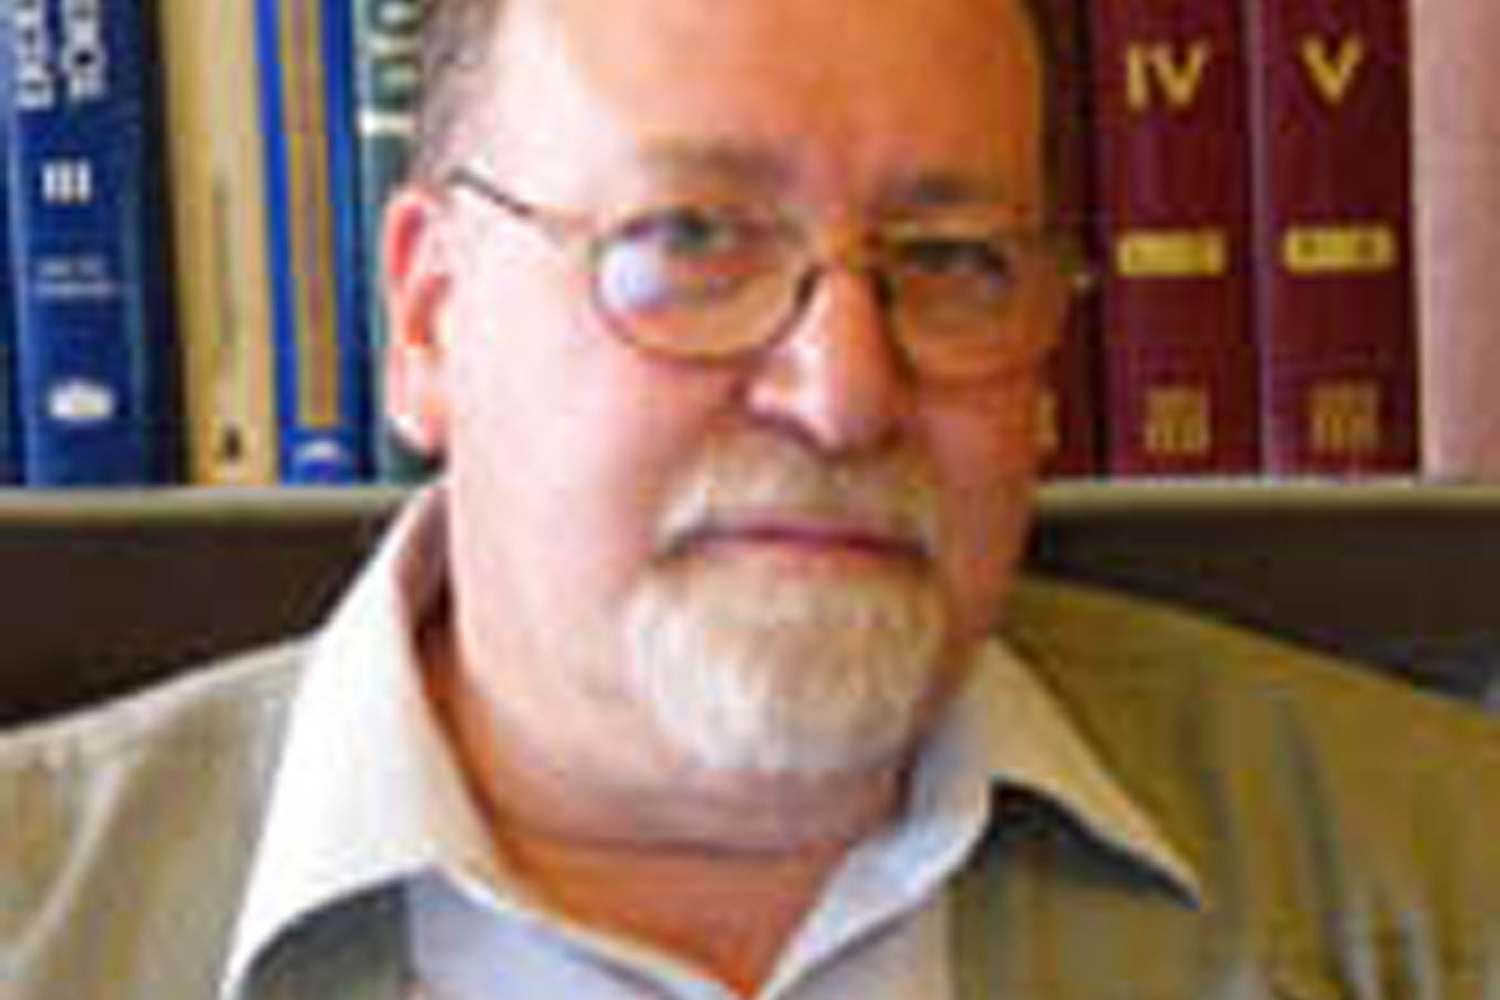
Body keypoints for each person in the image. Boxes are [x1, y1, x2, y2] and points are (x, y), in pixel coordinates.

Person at [4, 0, 1497, 997]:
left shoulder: (1447, 872)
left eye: (957, 260)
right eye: (692, 241)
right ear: (429, 319)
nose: (845, 394)